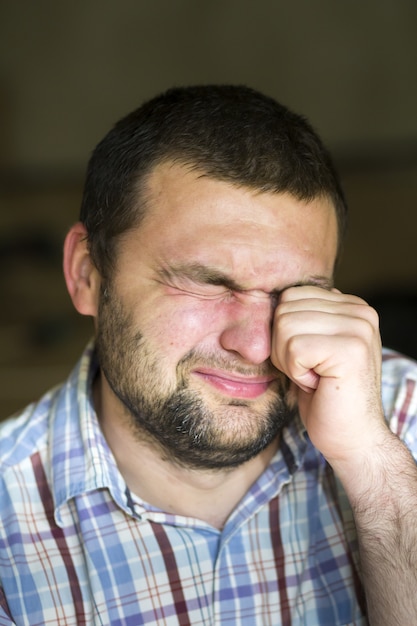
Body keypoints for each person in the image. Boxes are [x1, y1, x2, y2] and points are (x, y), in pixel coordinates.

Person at [0, 85, 416, 626]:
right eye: (207, 285)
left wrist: (374, 469)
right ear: (86, 273)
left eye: (295, 294)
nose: (258, 345)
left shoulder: (400, 419)